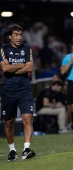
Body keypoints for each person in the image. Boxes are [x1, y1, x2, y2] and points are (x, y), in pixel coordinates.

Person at [0, 24, 35, 161]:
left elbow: (30, 67)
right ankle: (12, 150)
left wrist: (13, 67)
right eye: (16, 34)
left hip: (24, 89)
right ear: (10, 36)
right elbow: (5, 70)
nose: (19, 37)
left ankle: (26, 149)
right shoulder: (3, 49)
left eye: (20, 34)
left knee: (28, 118)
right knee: (9, 122)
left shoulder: (26, 48)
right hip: (8, 90)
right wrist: (22, 66)